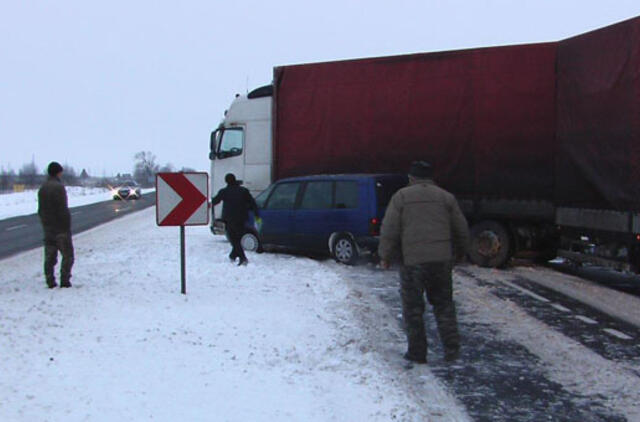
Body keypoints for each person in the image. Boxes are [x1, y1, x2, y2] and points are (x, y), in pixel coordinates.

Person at [378, 161, 469, 364]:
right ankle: (452, 350)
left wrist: (385, 256)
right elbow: (460, 228)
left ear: (411, 178)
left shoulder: (401, 197)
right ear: (431, 178)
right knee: (444, 305)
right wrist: (462, 251)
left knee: (413, 308)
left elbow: (390, 228)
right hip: (441, 260)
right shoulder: (446, 198)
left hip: (413, 261)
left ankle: (417, 353)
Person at [38, 162, 74, 288]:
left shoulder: (43, 187)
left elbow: (41, 209)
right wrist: (66, 226)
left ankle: (50, 281)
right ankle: (65, 280)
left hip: (48, 228)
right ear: (58, 172)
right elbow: (62, 209)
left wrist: (45, 223)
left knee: (49, 256)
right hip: (60, 228)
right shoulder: (58, 187)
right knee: (68, 255)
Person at [211, 173, 259, 266]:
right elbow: (252, 203)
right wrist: (256, 214)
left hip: (229, 219)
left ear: (226, 181)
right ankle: (233, 255)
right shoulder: (243, 190)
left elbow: (215, 201)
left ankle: (243, 258)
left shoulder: (224, 191)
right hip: (242, 218)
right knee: (238, 238)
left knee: (234, 239)